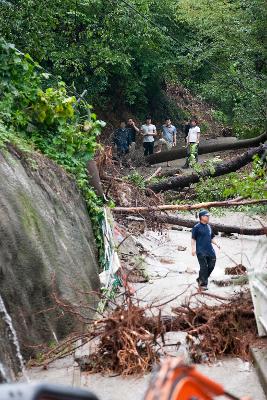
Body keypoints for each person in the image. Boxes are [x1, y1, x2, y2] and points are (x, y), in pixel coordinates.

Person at [191, 210, 220, 290]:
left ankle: (200, 279)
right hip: (200, 251)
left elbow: (212, 237)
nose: (208, 217)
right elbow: (193, 239)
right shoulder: (196, 227)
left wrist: (217, 244)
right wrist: (193, 249)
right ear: (202, 217)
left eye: (208, 216)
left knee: (211, 266)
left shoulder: (209, 227)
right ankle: (203, 285)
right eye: (207, 216)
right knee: (204, 267)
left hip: (210, 250)